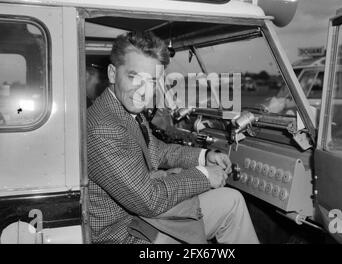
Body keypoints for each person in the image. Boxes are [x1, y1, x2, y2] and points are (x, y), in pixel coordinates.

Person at [87, 31, 259, 244]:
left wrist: (204, 156)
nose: (143, 90)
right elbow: (149, 200)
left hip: (141, 220)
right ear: (112, 74)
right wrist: (204, 176)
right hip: (127, 234)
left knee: (231, 201)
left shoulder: (125, 108)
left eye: (151, 81)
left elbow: (156, 150)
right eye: (133, 77)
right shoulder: (104, 127)